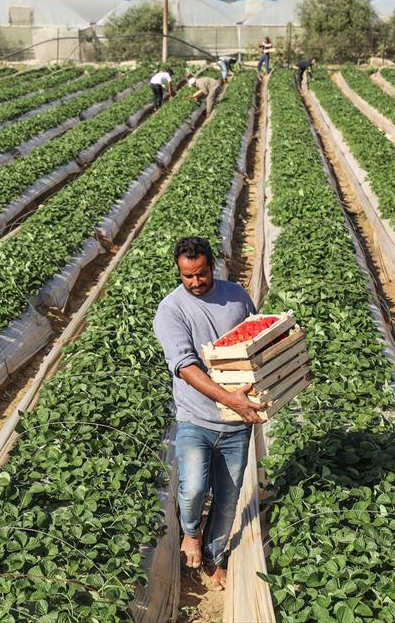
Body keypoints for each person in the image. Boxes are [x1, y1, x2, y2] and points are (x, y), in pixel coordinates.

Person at [153, 236, 266, 592]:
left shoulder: (236, 296)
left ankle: (215, 559)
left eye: (201, 274)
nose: (195, 282)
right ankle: (190, 536)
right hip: (195, 418)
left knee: (228, 500)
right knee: (194, 489)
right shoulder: (171, 310)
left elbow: (257, 340)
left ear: (212, 266)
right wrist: (229, 399)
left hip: (237, 422)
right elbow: (185, 366)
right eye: (187, 276)